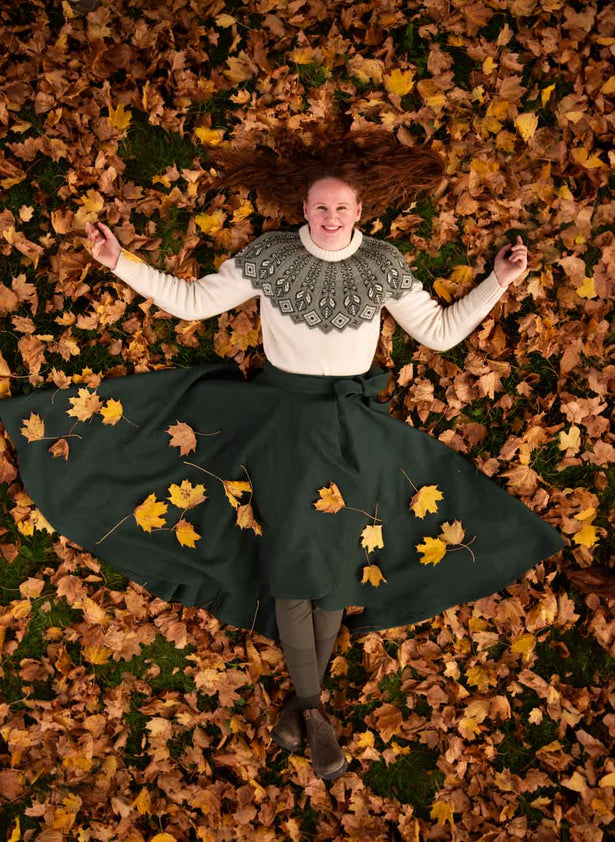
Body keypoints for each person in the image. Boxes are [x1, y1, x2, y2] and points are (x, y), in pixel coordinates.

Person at [0, 125, 567, 781]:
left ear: (359, 211)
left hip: (354, 428)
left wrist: (498, 281)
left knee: (336, 561)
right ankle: (313, 710)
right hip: (282, 425)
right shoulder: (270, 256)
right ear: (305, 208)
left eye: (342, 207)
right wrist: (118, 261)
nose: (330, 217)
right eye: (321, 207)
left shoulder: (383, 264)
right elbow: (194, 303)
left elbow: (439, 333)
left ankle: (306, 709)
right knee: (298, 562)